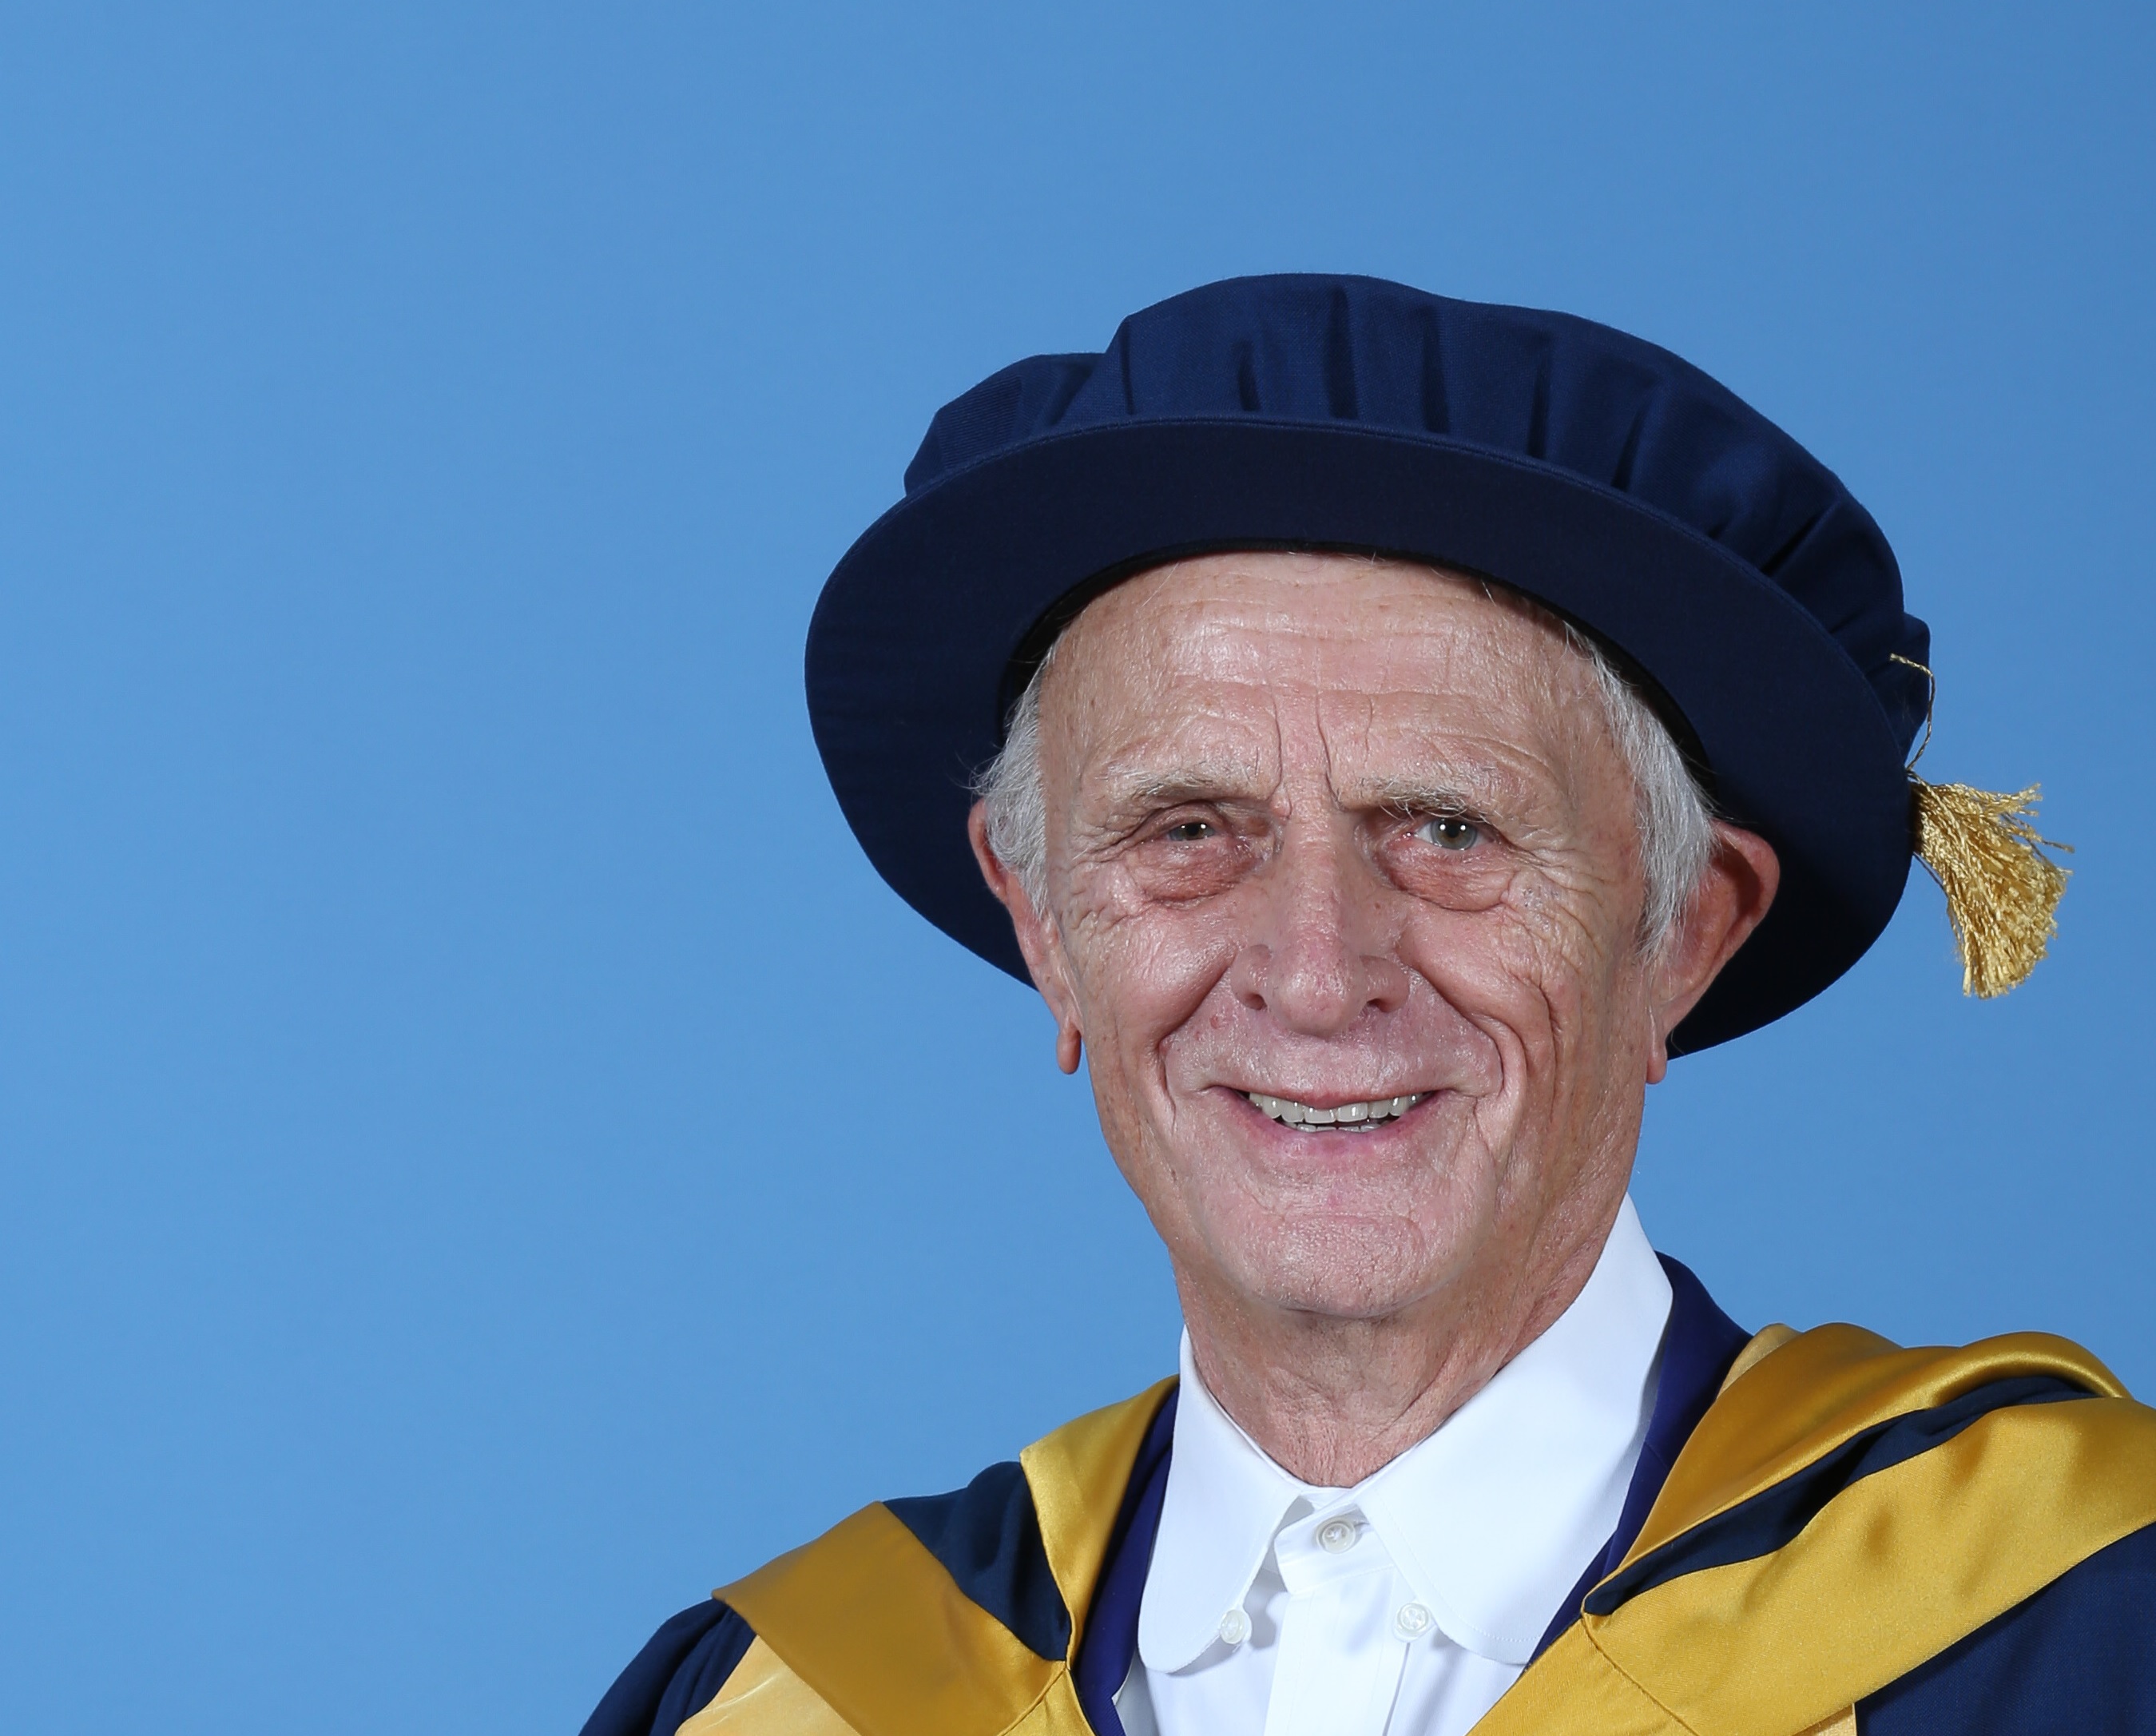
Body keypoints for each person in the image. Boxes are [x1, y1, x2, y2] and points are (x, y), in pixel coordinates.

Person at [581, 276, 2155, 1736]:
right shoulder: (769, 1704)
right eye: (1189, 829)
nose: (1321, 975)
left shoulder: (2079, 1626)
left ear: (1684, 928)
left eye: (1450, 828)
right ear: (1043, 921)